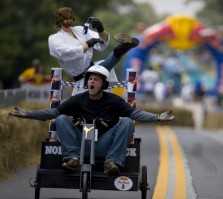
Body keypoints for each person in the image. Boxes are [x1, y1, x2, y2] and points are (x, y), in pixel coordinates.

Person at [9, 65, 175, 175]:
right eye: (90, 79)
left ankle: (112, 163)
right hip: (79, 144)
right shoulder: (78, 99)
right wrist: (28, 114)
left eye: (96, 79)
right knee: (60, 118)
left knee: (126, 121)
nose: (91, 82)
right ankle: (72, 159)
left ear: (103, 84)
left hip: (105, 146)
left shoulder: (113, 100)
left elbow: (135, 114)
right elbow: (52, 112)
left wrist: (157, 117)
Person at [49, 7, 139, 95]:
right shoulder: (55, 39)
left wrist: (101, 30)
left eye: (70, 18)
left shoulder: (80, 30)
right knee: (80, 107)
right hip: (82, 78)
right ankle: (122, 48)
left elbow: (101, 43)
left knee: (105, 66)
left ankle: (123, 47)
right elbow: (66, 53)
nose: (68, 21)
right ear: (59, 20)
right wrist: (87, 44)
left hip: (94, 68)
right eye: (65, 19)